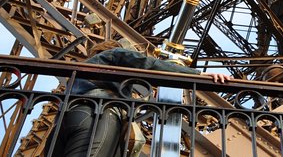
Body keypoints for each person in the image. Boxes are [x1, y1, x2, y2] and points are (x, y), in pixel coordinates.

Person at [48, 40, 230, 157]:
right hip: (99, 115)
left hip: (65, 123)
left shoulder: (84, 71)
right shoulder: (115, 54)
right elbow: (149, 65)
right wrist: (199, 75)